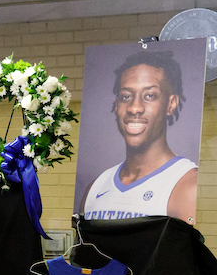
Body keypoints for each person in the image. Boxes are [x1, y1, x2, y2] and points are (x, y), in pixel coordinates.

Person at [80, 49, 197, 222]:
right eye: (126, 96)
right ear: (116, 105)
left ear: (171, 104)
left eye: (149, 96)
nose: (135, 108)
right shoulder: (95, 188)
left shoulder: (188, 185)